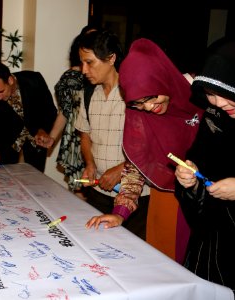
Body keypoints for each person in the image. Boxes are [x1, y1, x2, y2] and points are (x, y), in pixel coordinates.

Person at [85, 38, 204, 264]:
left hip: (214, 199)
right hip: (168, 201)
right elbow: (136, 167)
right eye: (138, 103)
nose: (150, 107)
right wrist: (120, 212)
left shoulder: (203, 95)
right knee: (168, 265)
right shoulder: (141, 116)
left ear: (163, 79)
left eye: (151, 97)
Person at [174, 31, 235, 299]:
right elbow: (199, 161)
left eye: (225, 94)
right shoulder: (216, 117)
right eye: (210, 93)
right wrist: (190, 178)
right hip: (213, 248)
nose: (218, 103)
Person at [75, 30, 150, 240]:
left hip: (136, 197)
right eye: (82, 63)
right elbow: (85, 135)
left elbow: (149, 146)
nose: (84, 70)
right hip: (98, 192)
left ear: (111, 58)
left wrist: (120, 169)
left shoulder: (136, 95)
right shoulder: (88, 93)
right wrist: (89, 164)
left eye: (89, 62)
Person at [35, 25, 96, 191]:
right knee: (80, 192)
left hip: (102, 142)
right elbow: (66, 112)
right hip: (77, 142)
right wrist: (52, 138)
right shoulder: (69, 78)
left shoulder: (112, 77)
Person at [0, 62, 57, 172]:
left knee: (35, 180)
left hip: (36, 140)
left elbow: (50, 111)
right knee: (5, 179)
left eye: (1, 91)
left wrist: (42, 130)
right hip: (9, 142)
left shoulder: (34, 80)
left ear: (10, 80)